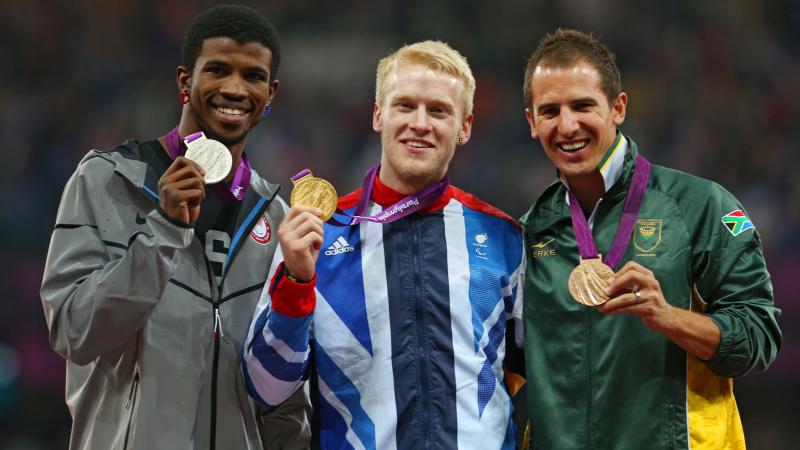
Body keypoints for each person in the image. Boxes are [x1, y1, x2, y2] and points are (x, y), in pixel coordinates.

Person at [40, 5, 310, 450]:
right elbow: (74, 331)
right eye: (218, 70)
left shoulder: (279, 219)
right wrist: (161, 231)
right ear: (185, 82)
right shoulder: (107, 180)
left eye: (253, 76)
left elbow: (282, 392)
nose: (235, 88)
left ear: (270, 94)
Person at [242, 41, 526, 449]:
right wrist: (297, 281)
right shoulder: (319, 236)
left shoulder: (502, 237)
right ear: (379, 115)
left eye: (439, 110)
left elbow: (534, 377)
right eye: (405, 106)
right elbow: (266, 387)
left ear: (465, 126)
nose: (420, 123)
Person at [519, 28, 782, 449]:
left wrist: (670, 317)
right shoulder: (533, 228)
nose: (567, 126)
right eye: (550, 111)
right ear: (532, 122)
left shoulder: (703, 206)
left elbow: (758, 339)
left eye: (583, 105)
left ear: (618, 107)